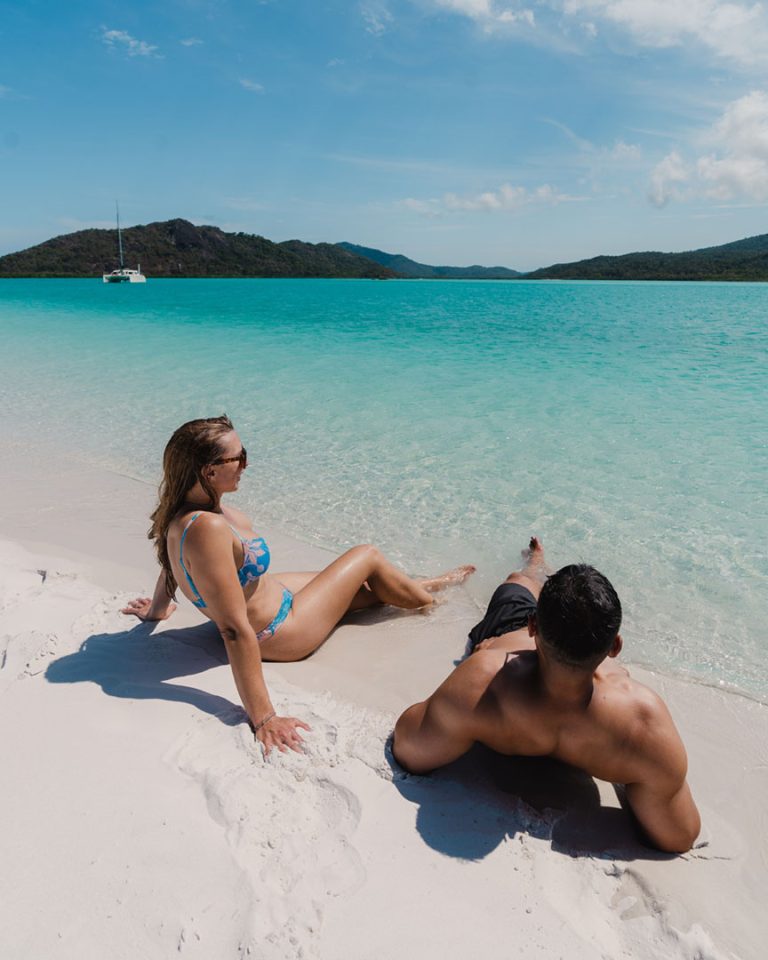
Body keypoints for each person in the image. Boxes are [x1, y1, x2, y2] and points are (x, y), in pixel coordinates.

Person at [123, 415, 474, 755]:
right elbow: (232, 629)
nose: (246, 464)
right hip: (277, 631)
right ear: (209, 471)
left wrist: (157, 610)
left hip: (271, 597)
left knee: (367, 586)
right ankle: (435, 604)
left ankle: (427, 584)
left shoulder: (186, 510)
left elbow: (170, 564)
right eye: (239, 457)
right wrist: (265, 718)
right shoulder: (207, 529)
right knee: (366, 556)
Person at [392, 539, 701, 853]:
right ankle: (536, 565)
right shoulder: (644, 725)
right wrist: (629, 769)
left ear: (532, 627)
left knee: (517, 584)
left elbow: (408, 747)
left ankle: (533, 568)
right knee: (531, 586)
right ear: (615, 649)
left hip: (508, 633)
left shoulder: (483, 683)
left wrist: (469, 682)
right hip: (582, 660)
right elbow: (678, 835)